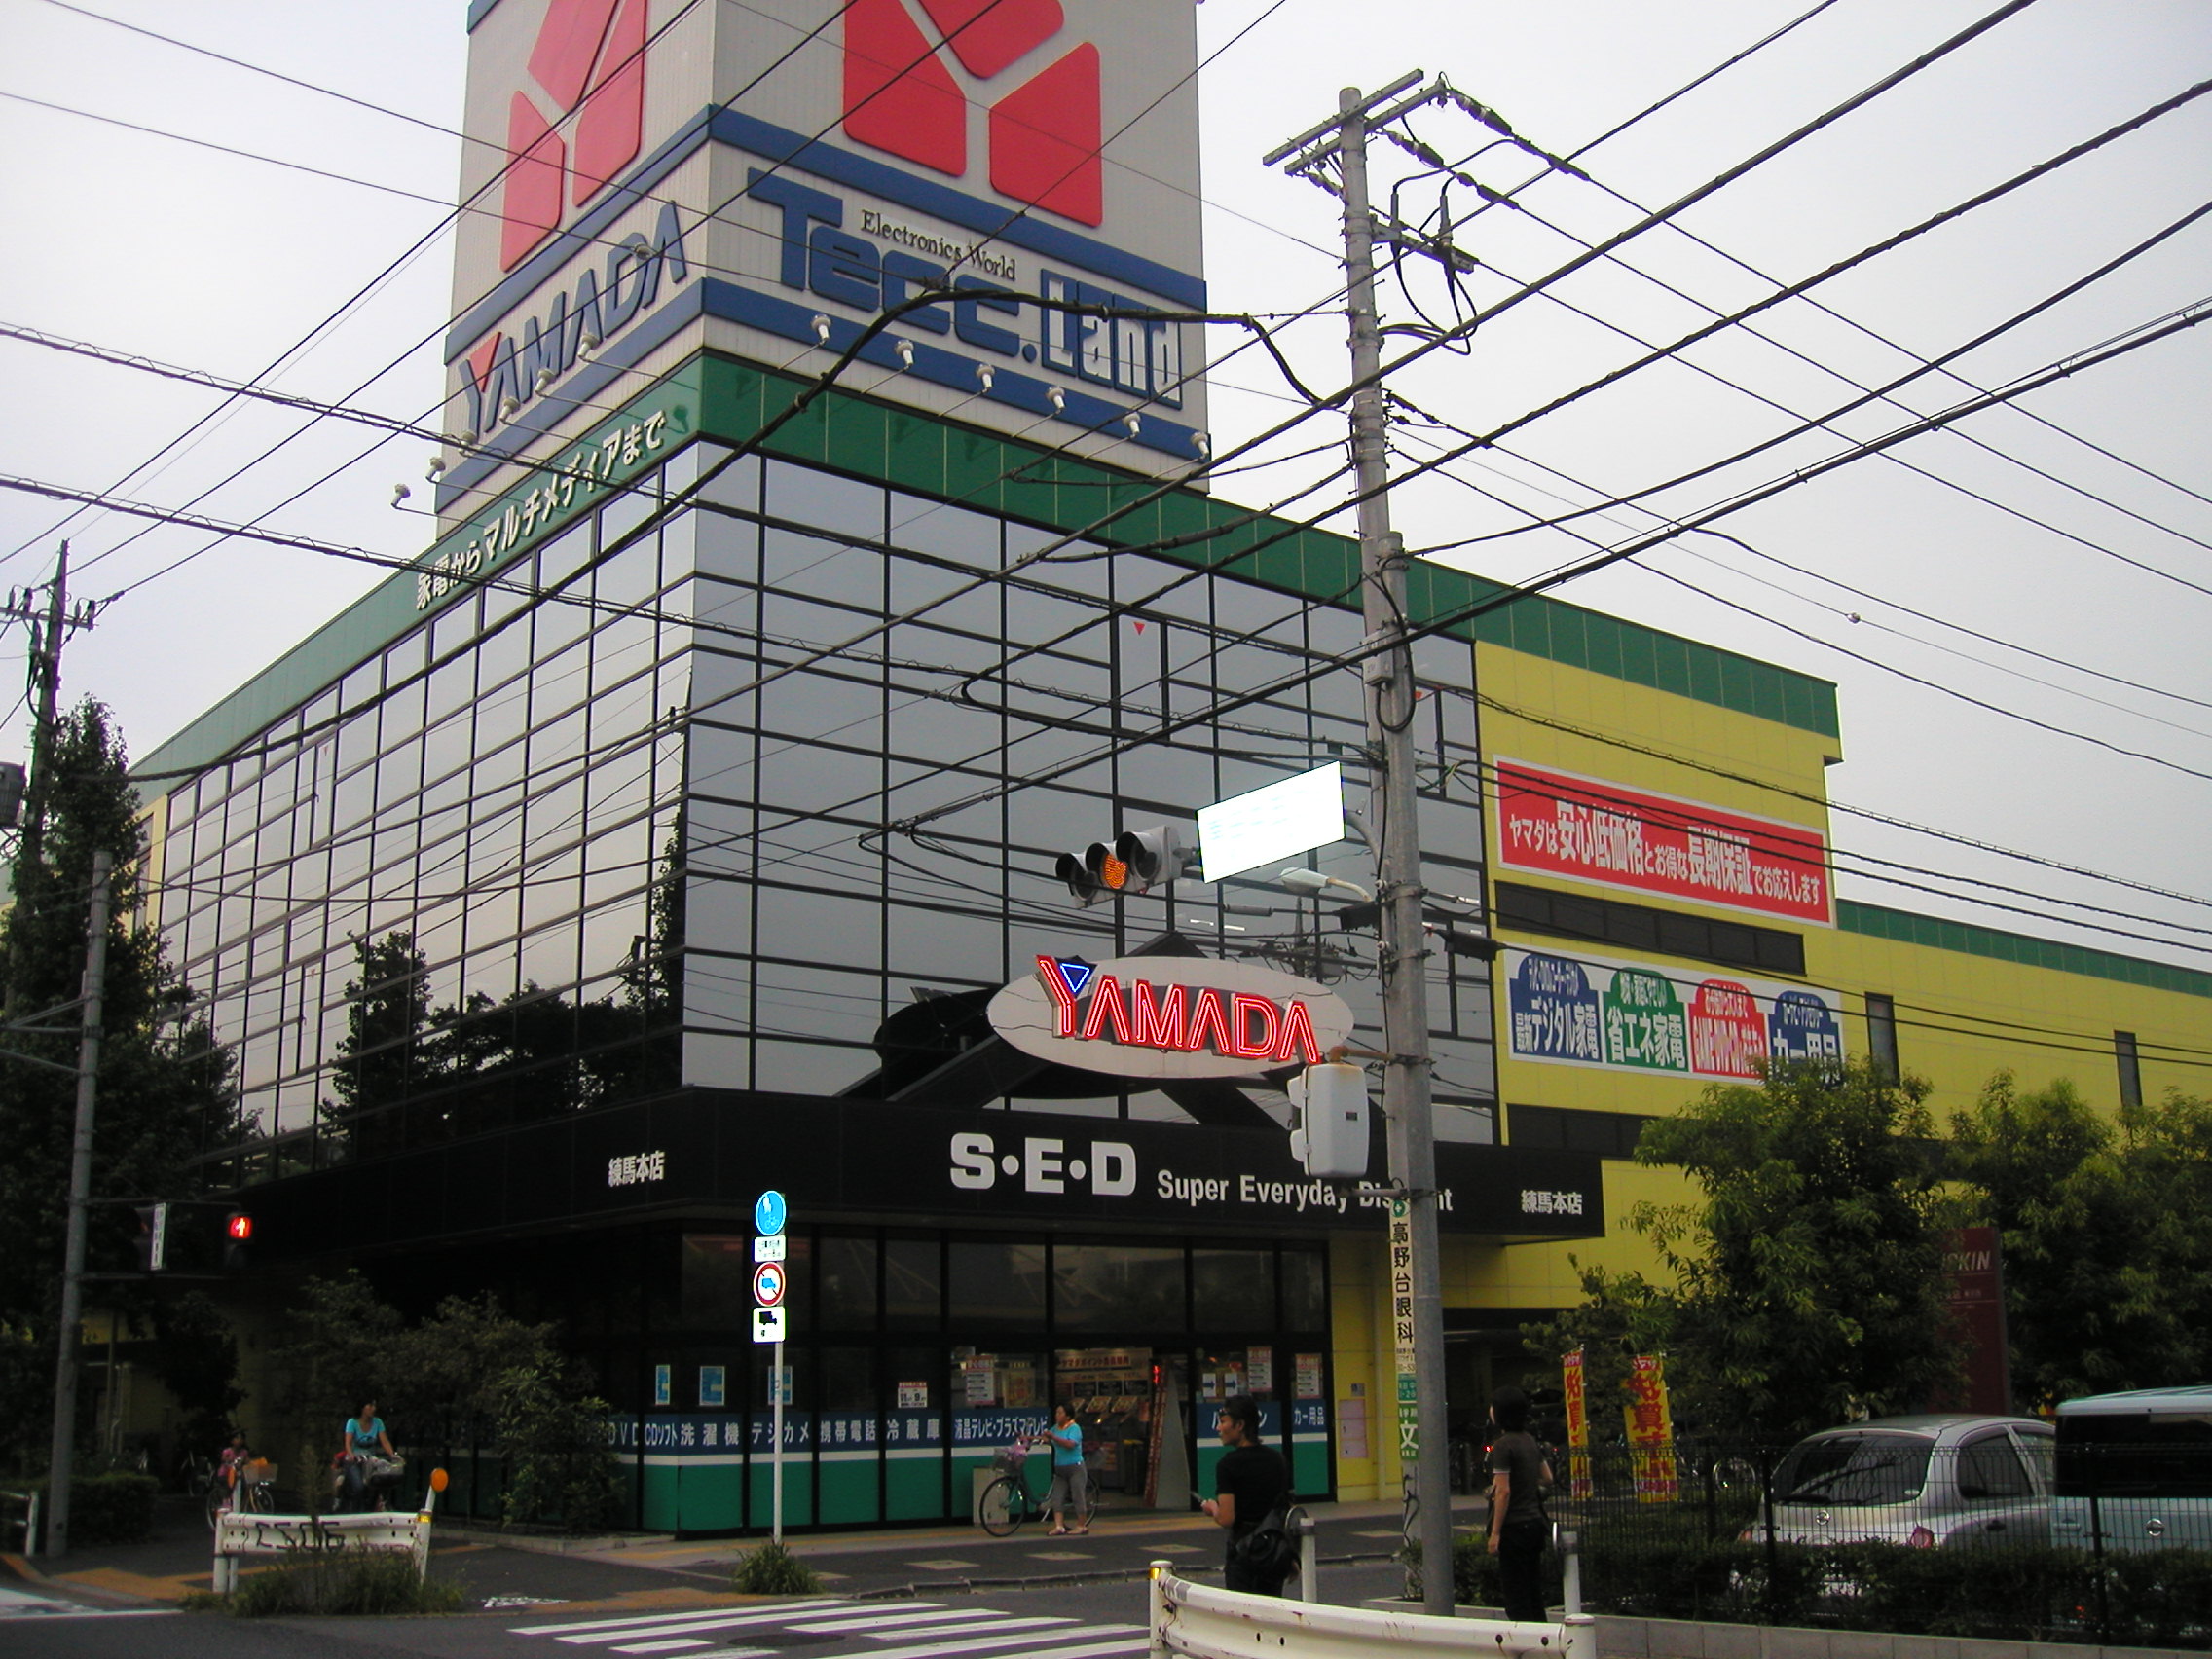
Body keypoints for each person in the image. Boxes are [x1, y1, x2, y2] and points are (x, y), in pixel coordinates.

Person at [1199, 1394, 1292, 1595]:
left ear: (1240, 1425)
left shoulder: (1228, 1465)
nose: (1218, 1428)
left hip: (1243, 1555)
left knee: (1244, 1618)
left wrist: (1212, 1508)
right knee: (1271, 1615)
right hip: (1273, 1553)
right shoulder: (1277, 1460)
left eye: (1223, 1422)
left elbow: (1226, 1518)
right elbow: (1285, 1508)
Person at [1486, 1384, 1554, 1622]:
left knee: (1516, 1597)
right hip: (1535, 1524)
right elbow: (1547, 1477)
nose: (1490, 1410)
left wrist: (1495, 1534)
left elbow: (1503, 1492)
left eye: (1493, 1406)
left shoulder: (1503, 1445)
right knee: (1533, 1592)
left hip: (1514, 1528)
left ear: (1501, 1412)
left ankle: (1526, 1647)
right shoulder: (1529, 1440)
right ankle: (1543, 1643)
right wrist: (1527, 1484)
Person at [338, 1399, 397, 1511]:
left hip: (370, 1461)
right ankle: (354, 1512)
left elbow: (384, 1441)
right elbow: (348, 1443)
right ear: (362, 1408)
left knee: (376, 1484)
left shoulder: (377, 1422)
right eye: (370, 1406)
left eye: (374, 1406)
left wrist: (393, 1455)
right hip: (354, 1460)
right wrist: (351, 1455)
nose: (373, 1409)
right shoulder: (352, 1422)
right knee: (359, 1487)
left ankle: (370, 1510)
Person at [1044, 1401, 1088, 1535]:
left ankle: (1081, 1525)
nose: (1057, 1415)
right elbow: (1046, 1438)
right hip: (1060, 1468)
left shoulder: (1074, 1428)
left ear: (1068, 1416)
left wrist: (1053, 1438)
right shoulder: (1056, 1428)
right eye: (1057, 1412)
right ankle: (1059, 1526)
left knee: (1077, 1496)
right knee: (1057, 1497)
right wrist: (1026, 1437)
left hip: (1075, 1467)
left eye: (1060, 1412)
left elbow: (1070, 1444)